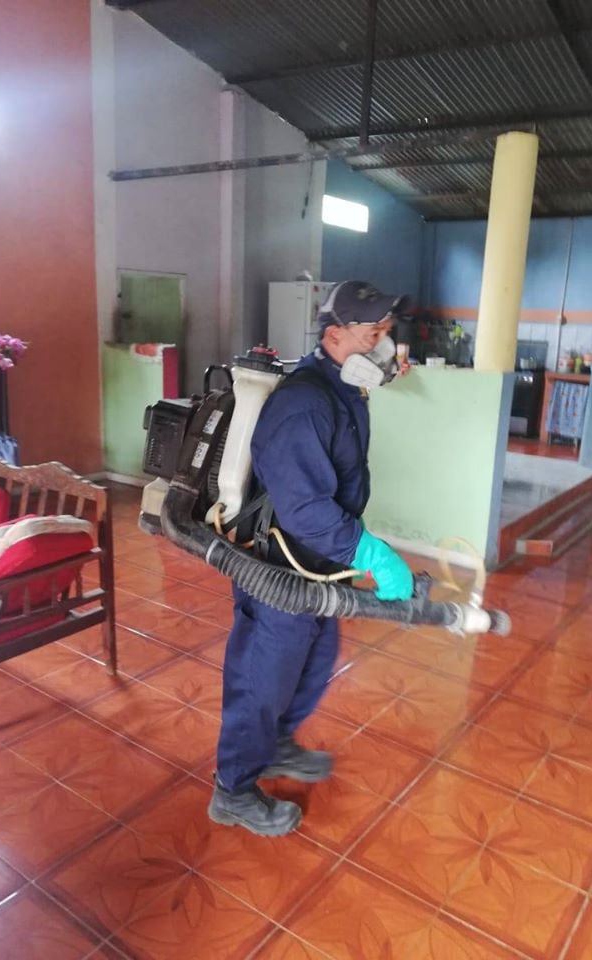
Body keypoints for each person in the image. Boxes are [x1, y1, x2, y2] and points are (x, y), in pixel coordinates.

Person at [208, 280, 414, 836]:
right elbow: (303, 507)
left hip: (317, 560)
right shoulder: (304, 402)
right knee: (265, 675)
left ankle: (274, 744)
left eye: (387, 331)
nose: (384, 344)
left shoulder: (343, 391)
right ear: (335, 335)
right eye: (373, 332)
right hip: (281, 564)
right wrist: (369, 553)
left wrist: (353, 550)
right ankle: (233, 789)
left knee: (314, 658)